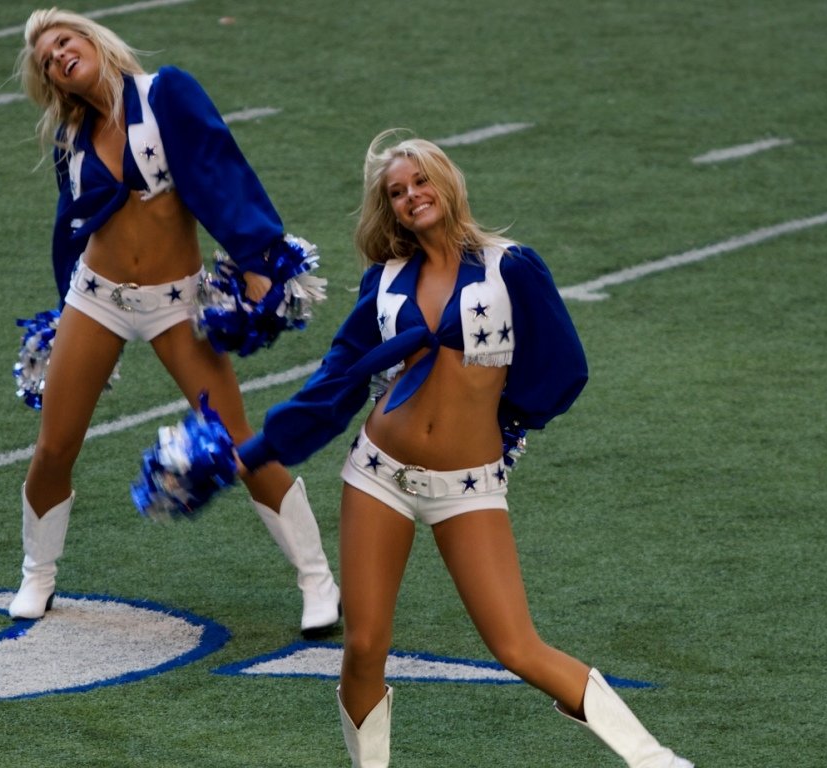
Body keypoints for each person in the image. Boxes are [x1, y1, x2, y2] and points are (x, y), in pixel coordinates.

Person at [233, 130, 692, 767]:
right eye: (396, 192)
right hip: (378, 473)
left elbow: (564, 368)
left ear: (446, 184)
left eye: (420, 181)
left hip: (468, 485)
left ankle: (654, 759)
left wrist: (506, 423)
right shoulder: (386, 280)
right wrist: (260, 448)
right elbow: (339, 375)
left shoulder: (512, 267)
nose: (410, 196)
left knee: (516, 645)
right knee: (365, 645)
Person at [8, 8, 340, 638]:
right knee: (55, 446)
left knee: (239, 441)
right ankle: (37, 573)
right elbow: (69, 226)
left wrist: (257, 259)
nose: (57, 57)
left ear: (93, 42)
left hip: (175, 301)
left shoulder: (165, 94)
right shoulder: (71, 136)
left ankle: (317, 580)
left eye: (64, 42)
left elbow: (221, 171)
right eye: (47, 60)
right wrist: (61, 310)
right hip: (97, 298)